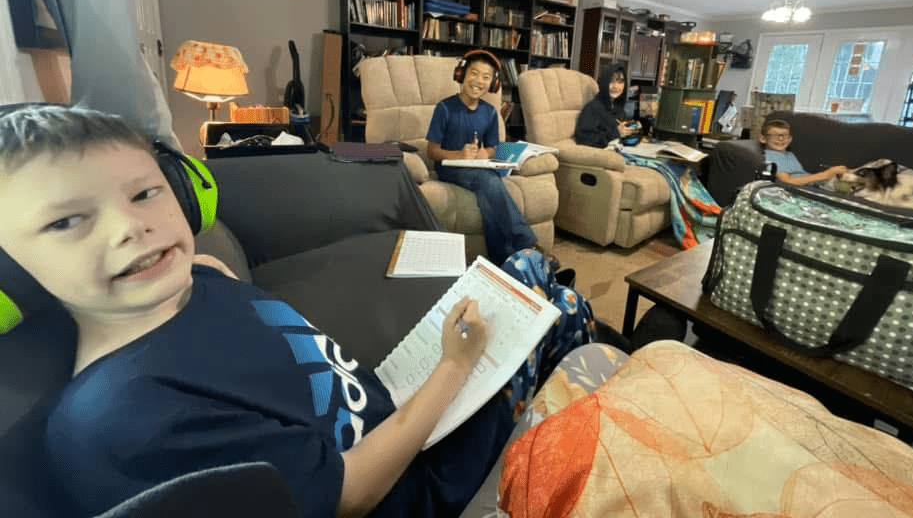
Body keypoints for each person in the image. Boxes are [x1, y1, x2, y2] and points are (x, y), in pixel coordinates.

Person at [0, 104, 597, 518]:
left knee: (525, 272)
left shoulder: (199, 281)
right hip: (415, 481)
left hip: (394, 399)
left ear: (185, 192)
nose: (133, 227)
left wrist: (211, 278)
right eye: (66, 221)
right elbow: (350, 495)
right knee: (565, 307)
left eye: (145, 192)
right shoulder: (126, 421)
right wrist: (452, 367)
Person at [427, 50, 537, 265]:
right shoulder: (444, 108)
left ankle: (501, 259)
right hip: (451, 168)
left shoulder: (490, 112)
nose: (479, 81)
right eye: (474, 74)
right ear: (461, 75)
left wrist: (485, 153)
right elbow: (432, 150)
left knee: (490, 183)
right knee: (488, 180)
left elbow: (494, 147)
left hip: (480, 167)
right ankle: (526, 243)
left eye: (486, 77)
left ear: (493, 84)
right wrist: (460, 155)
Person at [759, 118, 846, 186]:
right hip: (801, 191)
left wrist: (829, 176)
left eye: (785, 136)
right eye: (775, 135)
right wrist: (826, 174)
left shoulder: (789, 154)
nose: (781, 139)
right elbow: (788, 181)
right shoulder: (770, 156)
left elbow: (802, 176)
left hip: (812, 185)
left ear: (790, 139)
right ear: (763, 138)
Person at [574, 63, 640, 148]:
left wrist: (635, 130)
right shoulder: (593, 108)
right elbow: (583, 139)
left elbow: (624, 136)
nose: (615, 86)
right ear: (604, 83)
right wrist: (616, 132)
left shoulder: (619, 109)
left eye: (620, 82)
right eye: (611, 81)